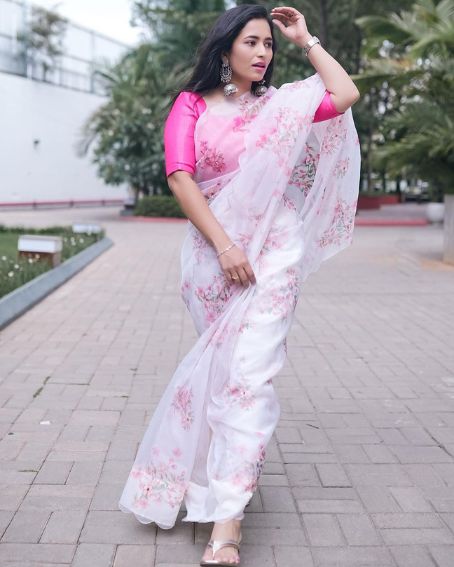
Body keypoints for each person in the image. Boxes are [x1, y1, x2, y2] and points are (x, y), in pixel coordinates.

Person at [119, 5, 361, 566]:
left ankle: (227, 524)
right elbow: (180, 177)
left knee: (250, 379)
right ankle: (217, 475)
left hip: (275, 252)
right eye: (252, 42)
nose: (262, 53)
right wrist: (226, 246)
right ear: (225, 47)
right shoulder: (191, 105)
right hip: (214, 259)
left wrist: (306, 39)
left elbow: (344, 94)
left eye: (268, 45)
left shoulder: (280, 107)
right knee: (224, 377)